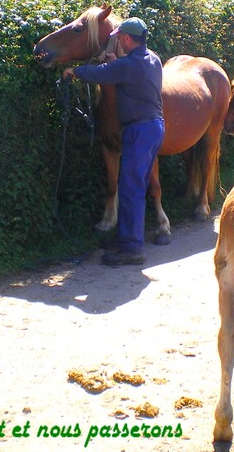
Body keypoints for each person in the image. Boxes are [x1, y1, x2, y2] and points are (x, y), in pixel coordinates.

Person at [63, 17, 164, 266]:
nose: (118, 40)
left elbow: (101, 74)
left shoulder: (128, 65)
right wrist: (115, 63)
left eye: (120, 37)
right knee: (133, 185)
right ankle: (125, 238)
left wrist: (74, 71)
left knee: (130, 188)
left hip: (139, 130)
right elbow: (123, 72)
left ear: (128, 39)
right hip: (153, 127)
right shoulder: (153, 58)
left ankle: (132, 249)